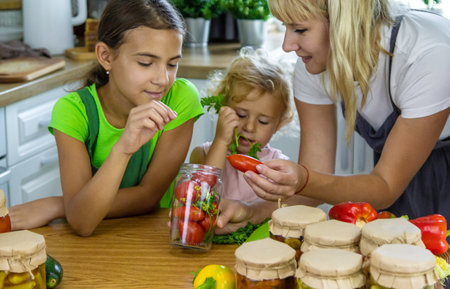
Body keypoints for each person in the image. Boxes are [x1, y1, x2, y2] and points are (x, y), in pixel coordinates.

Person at [215, 0, 450, 235]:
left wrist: (303, 179)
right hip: (395, 182)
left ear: (343, 24)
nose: (287, 45)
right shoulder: (314, 66)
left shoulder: (426, 56)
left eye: (300, 29)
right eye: (284, 27)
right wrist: (250, 211)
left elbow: (386, 186)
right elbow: (311, 189)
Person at [9, 0, 203, 236]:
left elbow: (149, 196)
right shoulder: (74, 111)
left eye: (172, 64)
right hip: (95, 245)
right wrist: (123, 148)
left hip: (154, 237)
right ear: (106, 56)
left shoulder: (180, 98)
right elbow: (83, 223)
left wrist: (62, 206)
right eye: (146, 63)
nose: (162, 79)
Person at [190, 48, 293, 202]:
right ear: (223, 107)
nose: (249, 127)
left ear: (280, 123)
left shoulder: (279, 167)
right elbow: (203, 199)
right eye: (241, 115)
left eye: (263, 121)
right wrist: (221, 142)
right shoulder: (202, 154)